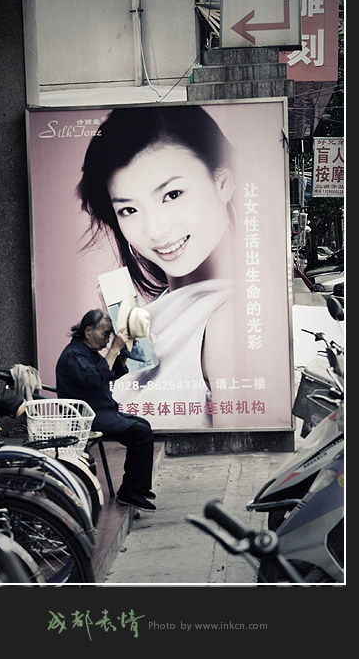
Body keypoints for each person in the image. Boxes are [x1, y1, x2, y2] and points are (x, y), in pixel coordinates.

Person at [76, 105, 239, 427]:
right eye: (129, 210)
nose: (155, 230)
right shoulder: (157, 311)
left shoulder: (229, 319)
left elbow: (240, 457)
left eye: (172, 194)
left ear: (223, 182)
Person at [55, 308, 156, 511]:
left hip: (102, 411)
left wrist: (122, 351)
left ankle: (138, 486)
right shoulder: (74, 355)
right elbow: (94, 379)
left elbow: (110, 372)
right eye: (104, 334)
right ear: (88, 331)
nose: (107, 339)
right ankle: (129, 492)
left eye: (110, 335)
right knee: (140, 433)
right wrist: (112, 350)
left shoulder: (89, 352)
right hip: (86, 417)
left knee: (143, 425)